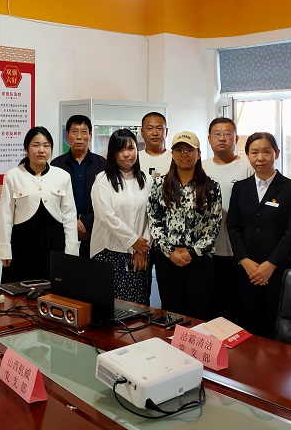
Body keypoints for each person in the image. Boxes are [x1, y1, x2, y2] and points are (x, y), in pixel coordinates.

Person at [227, 132, 291, 338]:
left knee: (278, 328)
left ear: (276, 153)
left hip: (280, 271)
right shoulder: (240, 188)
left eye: (266, 152)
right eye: (254, 152)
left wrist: (270, 265)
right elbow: (233, 226)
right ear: (247, 155)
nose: (260, 158)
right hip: (248, 271)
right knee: (249, 325)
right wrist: (244, 260)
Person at [148, 131, 222, 319]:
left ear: (198, 154)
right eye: (179, 150)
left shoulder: (211, 186)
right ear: (172, 154)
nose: (184, 155)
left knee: (198, 314)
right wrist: (169, 251)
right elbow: (154, 220)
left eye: (189, 150)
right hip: (167, 259)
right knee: (172, 313)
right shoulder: (159, 184)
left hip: (199, 260)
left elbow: (213, 226)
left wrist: (192, 252)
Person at [0, 126, 79, 282]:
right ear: (27, 149)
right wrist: (4, 249)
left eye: (46, 145)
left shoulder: (62, 176)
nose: (41, 150)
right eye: (36, 145)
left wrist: (71, 251)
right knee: (19, 291)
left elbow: (69, 215)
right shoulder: (13, 176)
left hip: (54, 243)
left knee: (54, 290)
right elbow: (5, 215)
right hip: (23, 243)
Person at [89, 128, 152, 305]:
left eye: (130, 148)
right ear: (112, 153)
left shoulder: (147, 180)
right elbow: (106, 216)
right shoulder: (103, 180)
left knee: (138, 307)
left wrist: (142, 248)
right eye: (120, 150)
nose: (126, 154)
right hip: (108, 253)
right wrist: (133, 242)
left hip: (139, 255)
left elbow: (152, 218)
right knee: (109, 307)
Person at [202, 117, 254, 320]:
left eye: (228, 134)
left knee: (237, 308)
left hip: (239, 252)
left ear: (236, 138)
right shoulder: (201, 167)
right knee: (212, 306)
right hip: (208, 250)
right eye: (217, 134)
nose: (222, 138)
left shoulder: (247, 168)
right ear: (209, 139)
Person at [51, 115, 107, 258]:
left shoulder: (102, 164)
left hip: (96, 232)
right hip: (64, 233)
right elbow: (53, 201)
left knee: (94, 271)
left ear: (90, 136)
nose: (79, 137)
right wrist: (72, 225)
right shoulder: (56, 165)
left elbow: (109, 201)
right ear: (67, 136)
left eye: (83, 132)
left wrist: (86, 223)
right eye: (75, 132)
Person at [138, 112, 171, 178]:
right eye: (150, 128)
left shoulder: (175, 159)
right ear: (142, 132)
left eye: (159, 128)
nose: (155, 133)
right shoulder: (134, 159)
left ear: (166, 132)